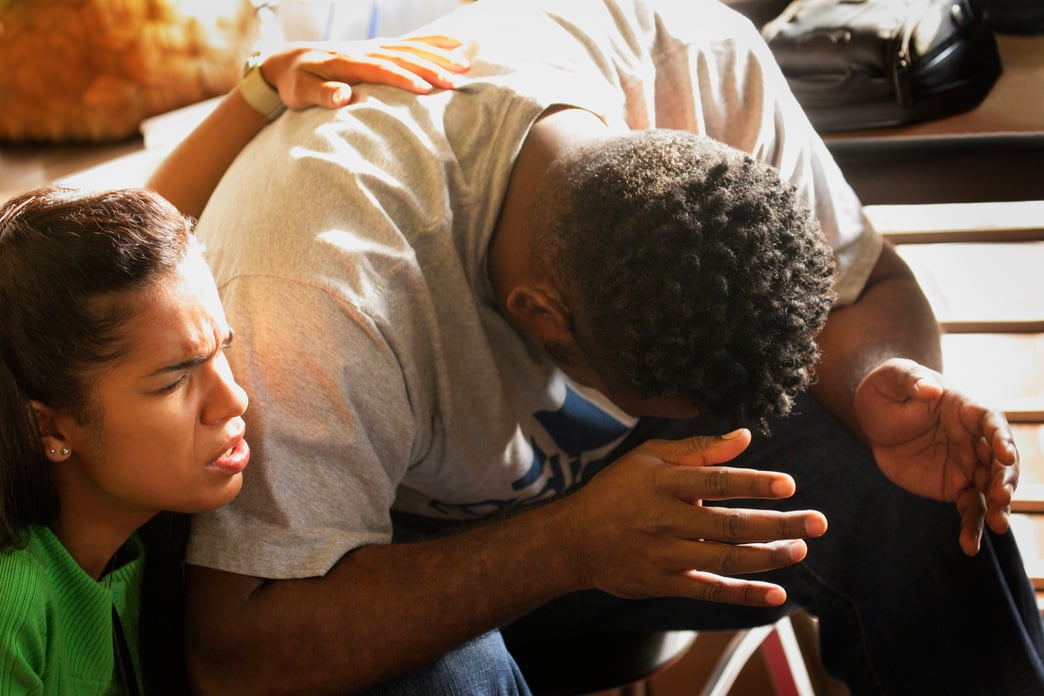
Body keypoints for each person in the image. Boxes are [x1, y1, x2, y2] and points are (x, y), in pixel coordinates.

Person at [177, 0, 1044, 694]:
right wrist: (564, 546)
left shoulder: (697, 66)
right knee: (450, 678)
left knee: (921, 502)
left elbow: (864, 287)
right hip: (392, 548)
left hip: (575, 504)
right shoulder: (317, 283)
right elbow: (238, 648)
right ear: (541, 313)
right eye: (661, 407)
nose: (707, 429)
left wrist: (876, 378)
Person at [0, 35, 504, 695]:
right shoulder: (15, 608)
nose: (233, 400)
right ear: (49, 430)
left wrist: (264, 85)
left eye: (222, 350)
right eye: (176, 381)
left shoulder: (132, 526)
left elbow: (135, 278)